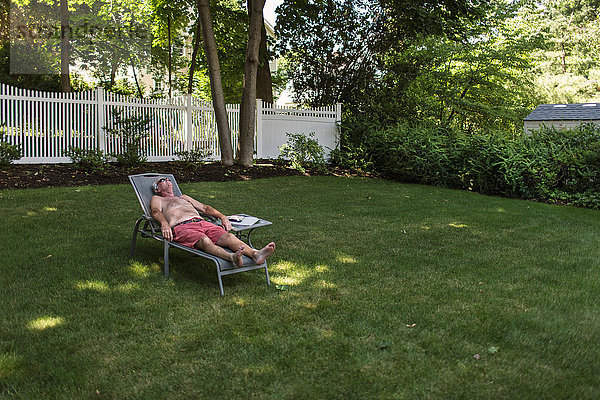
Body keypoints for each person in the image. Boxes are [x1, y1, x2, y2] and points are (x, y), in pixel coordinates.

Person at [150, 177, 275, 267]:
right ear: (157, 189)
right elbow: (155, 211)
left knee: (229, 236)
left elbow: (204, 208)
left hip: (202, 222)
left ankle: (256, 254)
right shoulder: (158, 199)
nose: (167, 181)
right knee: (205, 241)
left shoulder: (184, 197)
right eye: (162, 180)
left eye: (168, 179)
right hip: (182, 227)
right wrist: (164, 224)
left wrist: (222, 217)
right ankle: (231, 257)